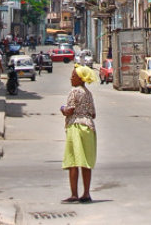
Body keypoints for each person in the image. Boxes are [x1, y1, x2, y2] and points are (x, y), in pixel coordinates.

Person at [60, 64, 98, 204]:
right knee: (86, 162)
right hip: (89, 128)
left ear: (80, 79)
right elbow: (93, 114)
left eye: (73, 76)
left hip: (76, 127)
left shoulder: (74, 91)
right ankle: (86, 193)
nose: (71, 78)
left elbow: (69, 110)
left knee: (74, 161)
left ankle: (74, 194)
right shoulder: (88, 93)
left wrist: (62, 108)